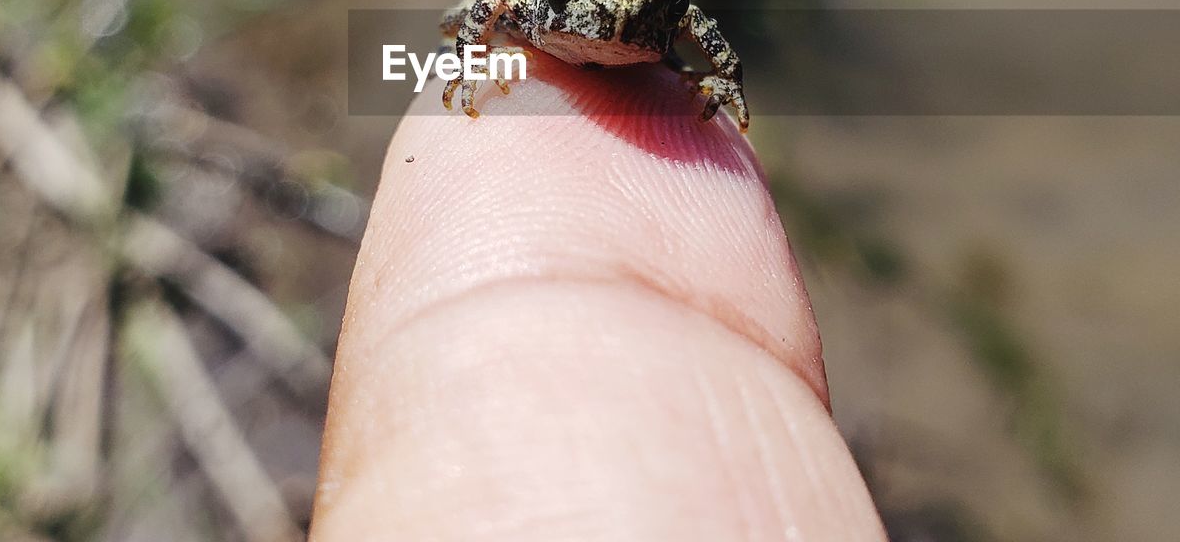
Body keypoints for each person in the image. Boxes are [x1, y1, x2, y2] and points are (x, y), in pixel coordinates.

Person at [308, 54, 886, 540]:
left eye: (647, 6)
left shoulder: (650, 22)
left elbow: (699, 28)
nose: (612, 20)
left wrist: (718, 77)